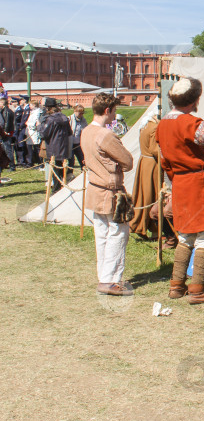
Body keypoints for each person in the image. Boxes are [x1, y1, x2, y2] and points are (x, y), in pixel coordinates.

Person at [156, 77, 204, 304]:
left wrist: (177, 181)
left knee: (186, 235)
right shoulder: (188, 122)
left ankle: (176, 286)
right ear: (194, 100)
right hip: (197, 184)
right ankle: (197, 289)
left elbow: (164, 161)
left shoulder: (163, 124)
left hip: (179, 183)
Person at [81, 92, 134, 296]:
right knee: (117, 235)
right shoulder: (106, 135)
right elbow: (128, 162)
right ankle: (110, 280)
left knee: (102, 235)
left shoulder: (86, 131)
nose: (115, 115)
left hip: (96, 189)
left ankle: (104, 276)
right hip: (110, 191)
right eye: (114, 111)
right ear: (107, 110)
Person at [130, 111, 160, 238]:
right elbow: (155, 149)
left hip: (144, 162)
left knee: (144, 195)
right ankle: (144, 226)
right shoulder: (154, 127)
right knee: (150, 196)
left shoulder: (145, 125)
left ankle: (149, 227)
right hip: (152, 164)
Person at [39, 97, 72, 191]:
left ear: (48, 108)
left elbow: (44, 133)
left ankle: (56, 190)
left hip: (54, 148)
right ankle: (63, 188)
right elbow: (70, 132)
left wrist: (39, 125)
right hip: (64, 147)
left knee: (55, 172)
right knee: (62, 170)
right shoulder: (64, 117)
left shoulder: (50, 120)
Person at [68, 105, 88, 169]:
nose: (81, 114)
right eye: (80, 113)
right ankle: (69, 175)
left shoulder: (83, 120)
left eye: (82, 113)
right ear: (75, 111)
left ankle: (84, 172)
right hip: (70, 143)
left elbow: (85, 130)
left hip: (78, 144)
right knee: (71, 161)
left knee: (82, 159)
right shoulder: (69, 119)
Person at [26, 99, 43, 168]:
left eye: (30, 105)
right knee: (30, 149)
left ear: (34, 105)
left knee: (36, 149)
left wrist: (28, 124)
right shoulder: (32, 112)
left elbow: (35, 123)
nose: (29, 106)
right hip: (30, 132)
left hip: (34, 133)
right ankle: (31, 162)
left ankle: (40, 163)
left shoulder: (37, 113)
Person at [0, 97, 15, 176]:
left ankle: (12, 166)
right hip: (5, 132)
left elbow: (6, 123)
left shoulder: (7, 112)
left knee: (8, 150)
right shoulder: (5, 111)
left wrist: (5, 131)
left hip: (7, 133)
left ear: (2, 103)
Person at [15, 95, 31, 166]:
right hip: (20, 128)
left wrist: (20, 127)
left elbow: (24, 119)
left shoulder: (27, 109)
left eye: (21, 100)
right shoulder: (25, 108)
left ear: (25, 100)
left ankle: (25, 161)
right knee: (20, 144)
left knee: (23, 144)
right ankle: (22, 161)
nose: (20, 101)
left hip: (23, 128)